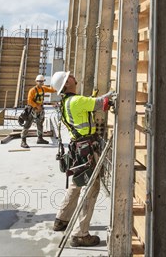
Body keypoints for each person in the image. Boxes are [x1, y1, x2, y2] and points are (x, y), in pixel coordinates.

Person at [50, 70, 116, 248]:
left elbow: (90, 103)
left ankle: (61, 219)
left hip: (77, 148)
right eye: (68, 77)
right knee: (91, 187)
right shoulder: (78, 101)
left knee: (77, 183)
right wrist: (115, 92)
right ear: (67, 84)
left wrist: (96, 99)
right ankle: (80, 234)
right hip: (87, 148)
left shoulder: (66, 101)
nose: (72, 76)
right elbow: (102, 103)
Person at [21, 74, 57, 148]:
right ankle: (23, 141)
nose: (40, 82)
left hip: (40, 110)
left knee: (40, 124)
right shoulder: (32, 90)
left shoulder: (43, 88)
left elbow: (52, 90)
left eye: (42, 81)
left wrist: (59, 88)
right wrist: (36, 106)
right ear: (36, 81)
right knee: (27, 125)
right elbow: (29, 101)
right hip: (32, 110)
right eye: (39, 81)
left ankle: (40, 139)